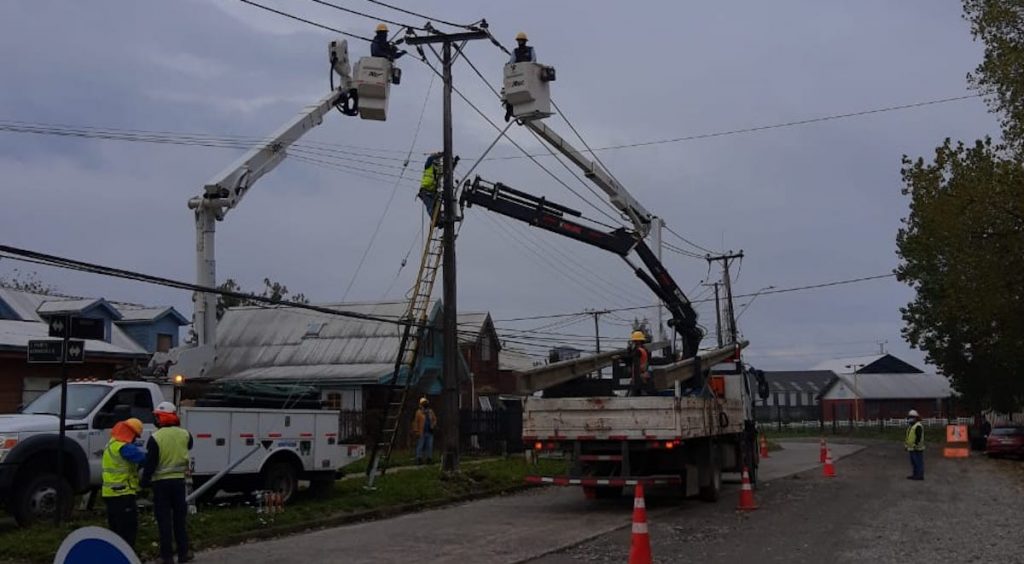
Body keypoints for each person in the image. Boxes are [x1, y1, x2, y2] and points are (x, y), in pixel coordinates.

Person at [142, 402, 194, 564]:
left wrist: (144, 482)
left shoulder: (156, 438)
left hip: (161, 484)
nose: (155, 419)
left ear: (162, 417)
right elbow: (189, 446)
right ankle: (183, 553)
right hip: (179, 482)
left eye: (157, 416)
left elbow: (150, 463)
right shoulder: (185, 434)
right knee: (180, 519)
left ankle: (167, 557)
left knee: (164, 521)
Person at [102, 417, 146, 548]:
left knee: (115, 529)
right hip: (123, 494)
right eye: (135, 436)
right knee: (128, 530)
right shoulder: (125, 448)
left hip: (109, 494)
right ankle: (128, 557)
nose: (135, 439)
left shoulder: (111, 444)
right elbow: (143, 459)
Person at [627, 330, 656, 396]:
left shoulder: (638, 351)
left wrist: (629, 350)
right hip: (641, 373)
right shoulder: (644, 349)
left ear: (637, 341)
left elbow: (631, 357)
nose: (633, 342)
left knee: (635, 393)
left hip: (639, 374)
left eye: (634, 341)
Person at [413, 397, 438, 464]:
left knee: (429, 446)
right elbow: (416, 422)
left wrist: (432, 425)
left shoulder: (430, 412)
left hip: (429, 431)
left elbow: (434, 419)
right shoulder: (418, 412)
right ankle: (419, 458)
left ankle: (429, 458)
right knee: (420, 445)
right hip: (421, 432)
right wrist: (416, 431)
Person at [905, 409, 925, 480]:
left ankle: (919, 475)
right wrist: (907, 446)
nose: (910, 419)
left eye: (912, 417)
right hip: (911, 448)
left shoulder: (918, 426)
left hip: (917, 448)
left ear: (916, 418)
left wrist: (915, 444)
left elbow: (918, 437)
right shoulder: (911, 426)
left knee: (918, 462)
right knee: (914, 462)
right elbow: (909, 437)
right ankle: (915, 474)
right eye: (909, 417)